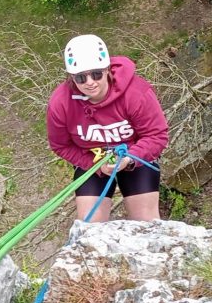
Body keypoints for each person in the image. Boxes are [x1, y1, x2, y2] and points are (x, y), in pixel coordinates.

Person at [46, 34, 169, 222]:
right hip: (91, 160)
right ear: (71, 77)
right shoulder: (61, 103)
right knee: (90, 227)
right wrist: (94, 164)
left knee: (147, 223)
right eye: (80, 77)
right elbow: (60, 145)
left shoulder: (136, 93)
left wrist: (128, 158)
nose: (90, 82)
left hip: (135, 156)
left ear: (107, 69)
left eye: (96, 74)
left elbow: (157, 135)